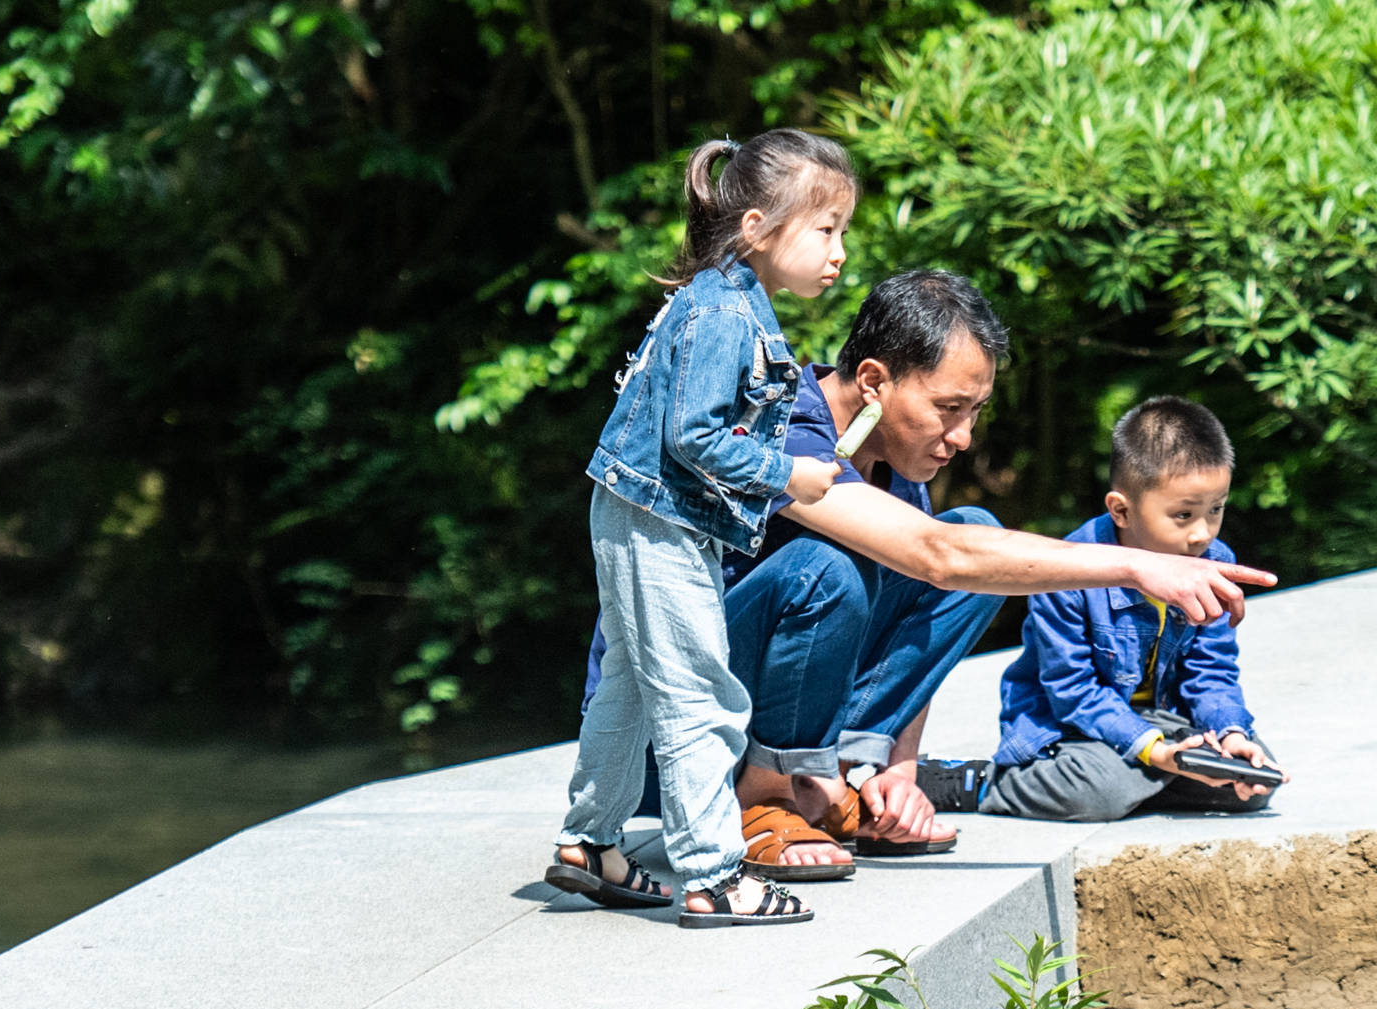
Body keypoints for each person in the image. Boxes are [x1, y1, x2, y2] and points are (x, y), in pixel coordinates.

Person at [581, 272, 1280, 877]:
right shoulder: (781, 426)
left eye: (975, 412)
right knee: (832, 565)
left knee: (974, 531)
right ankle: (763, 800)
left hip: (762, 722)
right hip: (659, 747)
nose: (965, 436)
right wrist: (1134, 564)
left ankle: (838, 780)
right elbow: (934, 557)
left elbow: (941, 572)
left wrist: (900, 772)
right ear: (875, 381)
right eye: (949, 409)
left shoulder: (895, 462)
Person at [546, 129, 850, 928]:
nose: (839, 250)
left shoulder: (724, 297)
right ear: (756, 226)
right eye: (826, 229)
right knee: (700, 692)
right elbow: (695, 435)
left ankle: (591, 843)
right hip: (658, 517)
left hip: (636, 508)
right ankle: (715, 875)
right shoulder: (722, 311)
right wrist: (789, 474)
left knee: (634, 684)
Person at [914, 397, 1283, 823]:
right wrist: (1153, 749)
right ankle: (981, 782)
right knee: (1100, 793)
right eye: (1183, 515)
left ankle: (1134, 783)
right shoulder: (1071, 572)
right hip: (1069, 726)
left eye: (1215, 509)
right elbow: (1071, 690)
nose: (1202, 532)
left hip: (1160, 720)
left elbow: (1211, 671)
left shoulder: (1212, 564)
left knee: (1252, 782)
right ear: (1121, 510)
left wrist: (1230, 733)